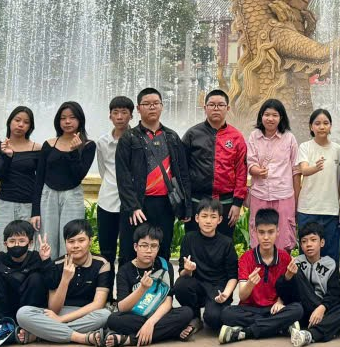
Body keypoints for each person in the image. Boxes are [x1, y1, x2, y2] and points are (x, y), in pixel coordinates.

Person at [116, 88, 190, 263]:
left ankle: (162, 289)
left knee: (162, 249)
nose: (152, 107)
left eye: (155, 103)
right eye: (147, 104)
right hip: (138, 205)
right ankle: (130, 289)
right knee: (130, 249)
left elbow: (182, 174)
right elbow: (123, 176)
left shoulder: (171, 136)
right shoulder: (129, 137)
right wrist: (133, 206)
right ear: (138, 108)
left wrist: (186, 207)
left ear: (162, 107)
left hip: (165, 204)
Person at [91, 223, 195, 347]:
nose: (149, 250)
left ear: (158, 248)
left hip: (158, 315)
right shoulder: (125, 271)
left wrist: (150, 323)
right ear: (136, 247)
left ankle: (129, 339)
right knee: (114, 320)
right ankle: (172, 331)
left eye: (153, 246)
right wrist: (142, 289)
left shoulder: (165, 265)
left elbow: (168, 300)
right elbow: (122, 307)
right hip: (135, 316)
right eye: (144, 246)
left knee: (186, 312)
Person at [16, 218, 112, 344]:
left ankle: (42, 335)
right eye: (71, 241)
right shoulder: (57, 264)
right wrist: (65, 279)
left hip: (86, 314)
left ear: (90, 240)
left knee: (105, 315)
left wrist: (61, 320)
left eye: (81, 240)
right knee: (23, 313)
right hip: (60, 311)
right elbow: (54, 308)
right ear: (65, 243)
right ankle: (81, 337)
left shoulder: (102, 264)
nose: (76, 246)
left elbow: (98, 304)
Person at [216, 208, 305, 345]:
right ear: (255, 232)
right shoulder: (246, 258)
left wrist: (280, 302)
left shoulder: (284, 257)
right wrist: (250, 283)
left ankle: (245, 332)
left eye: (270, 232)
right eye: (261, 232)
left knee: (298, 309)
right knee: (226, 313)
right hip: (250, 309)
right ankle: (279, 326)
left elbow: (289, 291)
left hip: (274, 309)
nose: (266, 237)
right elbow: (242, 296)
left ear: (277, 232)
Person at [0, 219, 52, 347]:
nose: (17, 245)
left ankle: (28, 327)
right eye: (12, 241)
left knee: (36, 278)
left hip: (29, 313)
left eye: (22, 241)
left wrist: (46, 261)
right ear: (5, 244)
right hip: (5, 310)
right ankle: (3, 326)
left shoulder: (37, 258)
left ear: (30, 243)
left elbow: (53, 283)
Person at [277, 219, 340, 347]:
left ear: (322, 242)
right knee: (296, 275)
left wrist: (322, 308)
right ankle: (322, 329)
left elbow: (334, 293)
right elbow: (283, 292)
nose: (308, 244)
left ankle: (308, 335)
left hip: (322, 310)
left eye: (313, 240)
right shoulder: (296, 263)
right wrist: (288, 276)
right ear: (300, 245)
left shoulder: (330, 264)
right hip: (303, 309)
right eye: (304, 241)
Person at [34, 102, 96, 259]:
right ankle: (49, 276)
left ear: (80, 120)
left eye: (72, 117)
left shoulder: (88, 145)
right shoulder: (49, 144)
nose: (67, 122)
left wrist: (74, 152)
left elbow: (78, 175)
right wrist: (35, 211)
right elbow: (39, 178)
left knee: (71, 237)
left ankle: (69, 275)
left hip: (72, 195)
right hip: (48, 195)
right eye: (63, 118)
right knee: (47, 238)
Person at [182, 89, 247, 239]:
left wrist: (237, 204)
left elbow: (241, 171)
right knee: (193, 243)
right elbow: (182, 170)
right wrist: (185, 202)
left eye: (220, 105)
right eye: (211, 105)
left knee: (223, 244)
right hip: (197, 201)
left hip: (226, 201)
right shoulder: (192, 134)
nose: (216, 108)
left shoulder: (236, 137)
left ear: (228, 108)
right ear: (205, 108)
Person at [172, 198, 238, 337]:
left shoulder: (226, 243)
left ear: (219, 220)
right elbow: (182, 273)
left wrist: (225, 294)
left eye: (213, 217)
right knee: (181, 285)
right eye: (204, 216)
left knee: (214, 320)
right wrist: (188, 270)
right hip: (198, 285)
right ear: (197, 218)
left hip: (218, 289)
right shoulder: (189, 239)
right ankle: (194, 316)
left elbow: (233, 276)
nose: (208, 221)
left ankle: (211, 313)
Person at [246, 98, 300, 250]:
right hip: (260, 193)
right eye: (267, 114)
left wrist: (297, 198)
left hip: (283, 194)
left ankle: (283, 272)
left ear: (281, 117)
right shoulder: (254, 136)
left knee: (284, 236)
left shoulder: (289, 138)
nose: (270, 118)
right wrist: (257, 170)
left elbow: (296, 169)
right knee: (259, 235)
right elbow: (250, 162)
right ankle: (260, 271)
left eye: (275, 115)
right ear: (261, 116)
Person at [296, 108, 340, 265]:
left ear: (330, 126)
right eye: (317, 123)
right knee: (307, 253)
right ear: (311, 127)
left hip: (330, 209)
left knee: (330, 253)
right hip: (308, 209)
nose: (322, 127)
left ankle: (331, 289)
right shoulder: (305, 147)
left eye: (325, 123)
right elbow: (303, 169)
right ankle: (305, 289)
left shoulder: (337, 149)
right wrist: (315, 168)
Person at [0, 106, 41, 240]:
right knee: (3, 245)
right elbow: (1, 175)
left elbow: (39, 181)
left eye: (26, 122)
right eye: (17, 120)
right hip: (4, 204)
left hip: (28, 206)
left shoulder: (38, 149)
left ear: (30, 126)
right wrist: (8, 156)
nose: (21, 124)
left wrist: (36, 211)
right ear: (9, 122)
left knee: (28, 248)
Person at [93, 96, 133, 269]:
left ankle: (125, 291)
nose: (119, 117)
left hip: (131, 203)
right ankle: (105, 290)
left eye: (124, 112)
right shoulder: (102, 142)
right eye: (115, 112)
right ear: (110, 116)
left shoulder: (138, 139)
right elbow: (103, 170)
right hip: (107, 201)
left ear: (131, 115)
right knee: (106, 250)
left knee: (128, 250)